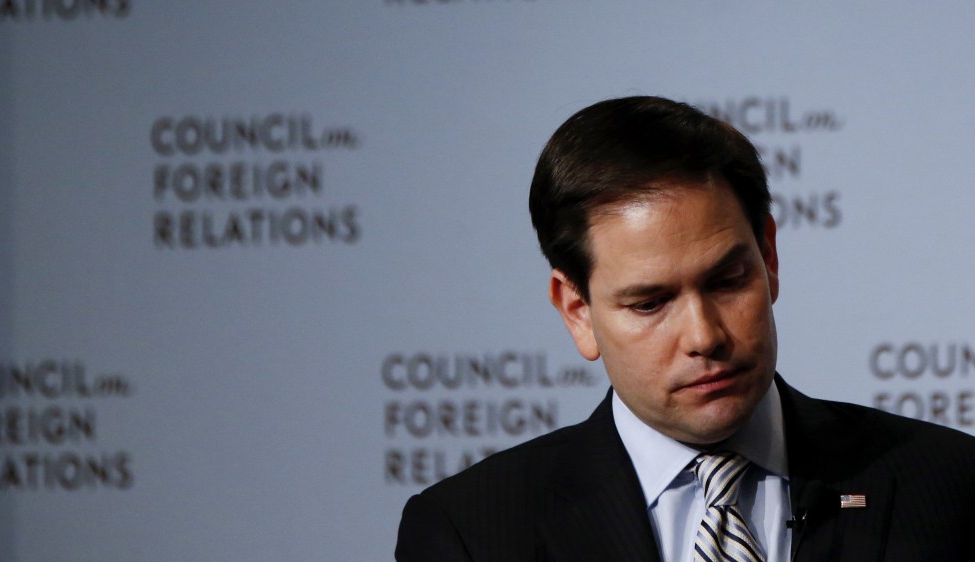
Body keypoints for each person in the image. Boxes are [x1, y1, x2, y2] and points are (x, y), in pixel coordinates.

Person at [395, 96, 975, 561]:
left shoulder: (950, 484)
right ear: (577, 311)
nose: (704, 337)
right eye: (650, 304)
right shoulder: (472, 535)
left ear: (769, 258)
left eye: (728, 281)